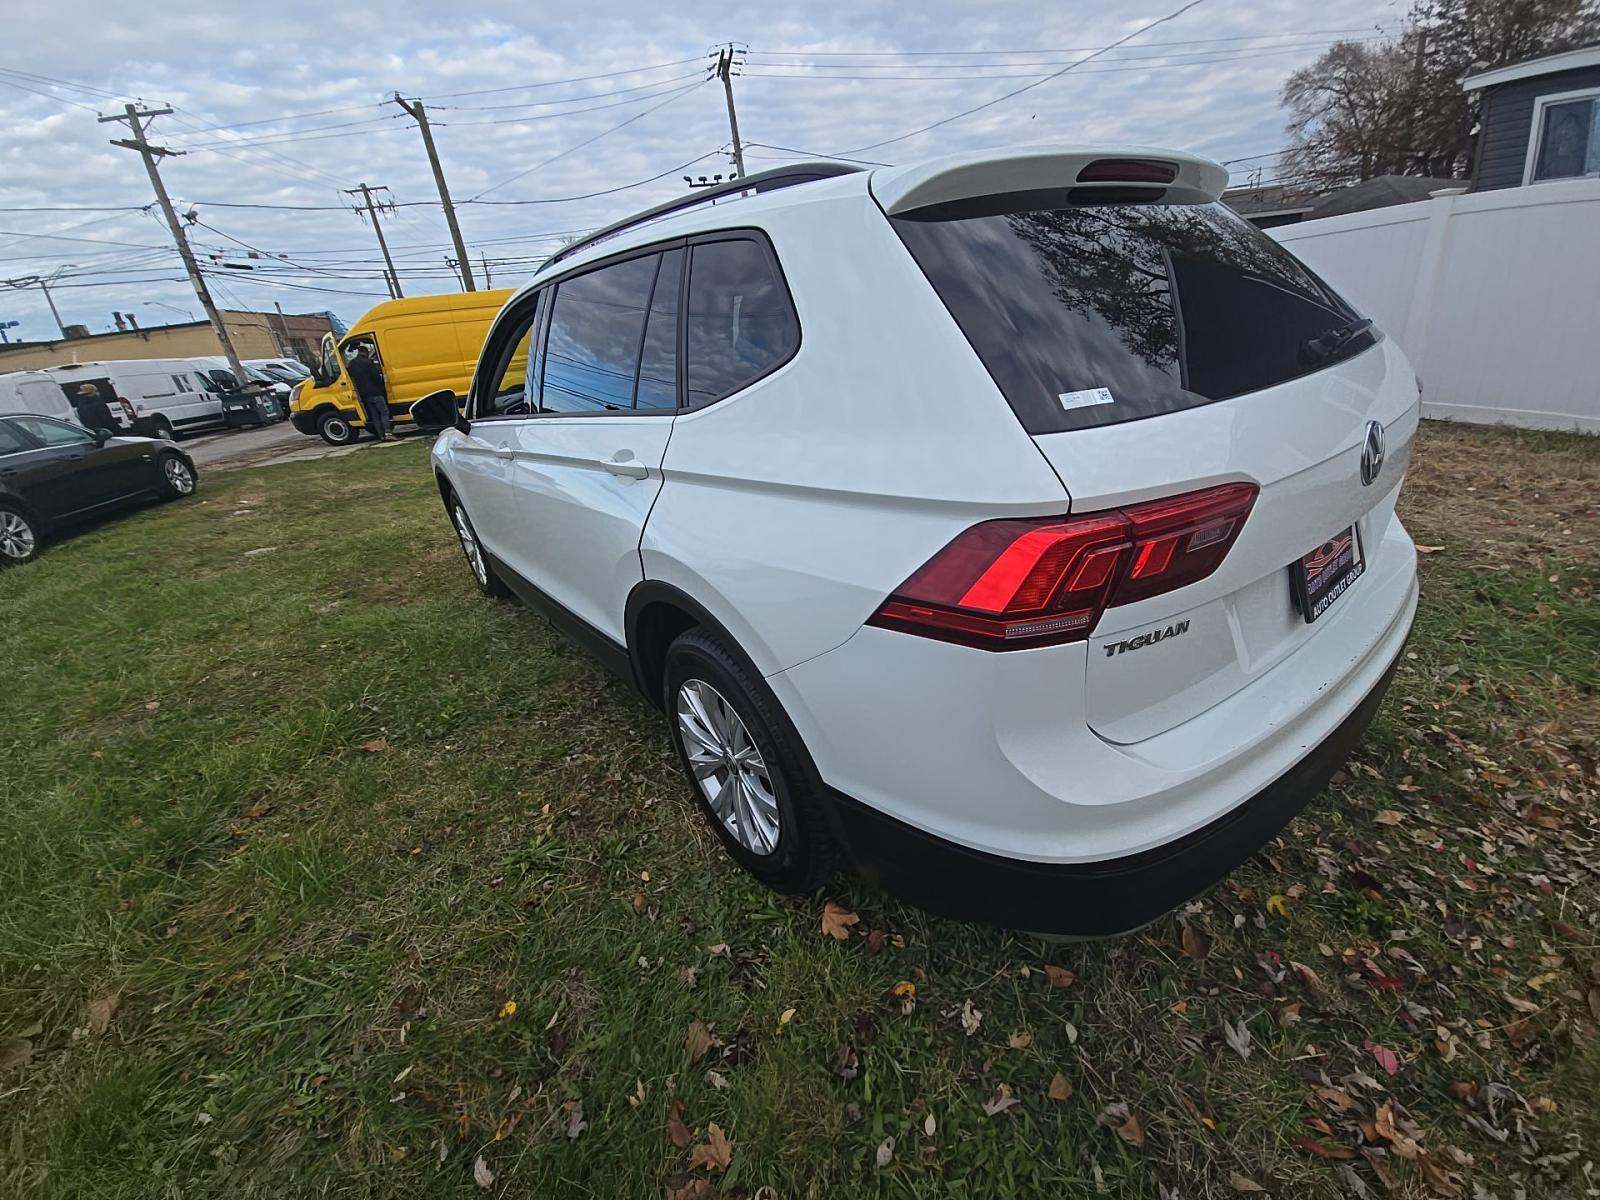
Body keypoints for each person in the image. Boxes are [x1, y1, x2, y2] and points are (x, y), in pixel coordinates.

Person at [347, 342, 391, 441]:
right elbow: (376, 377)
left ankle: (381, 436)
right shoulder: (368, 362)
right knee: (384, 412)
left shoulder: (352, 364)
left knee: (374, 415)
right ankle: (388, 433)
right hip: (375, 392)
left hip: (364, 394)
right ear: (365, 352)